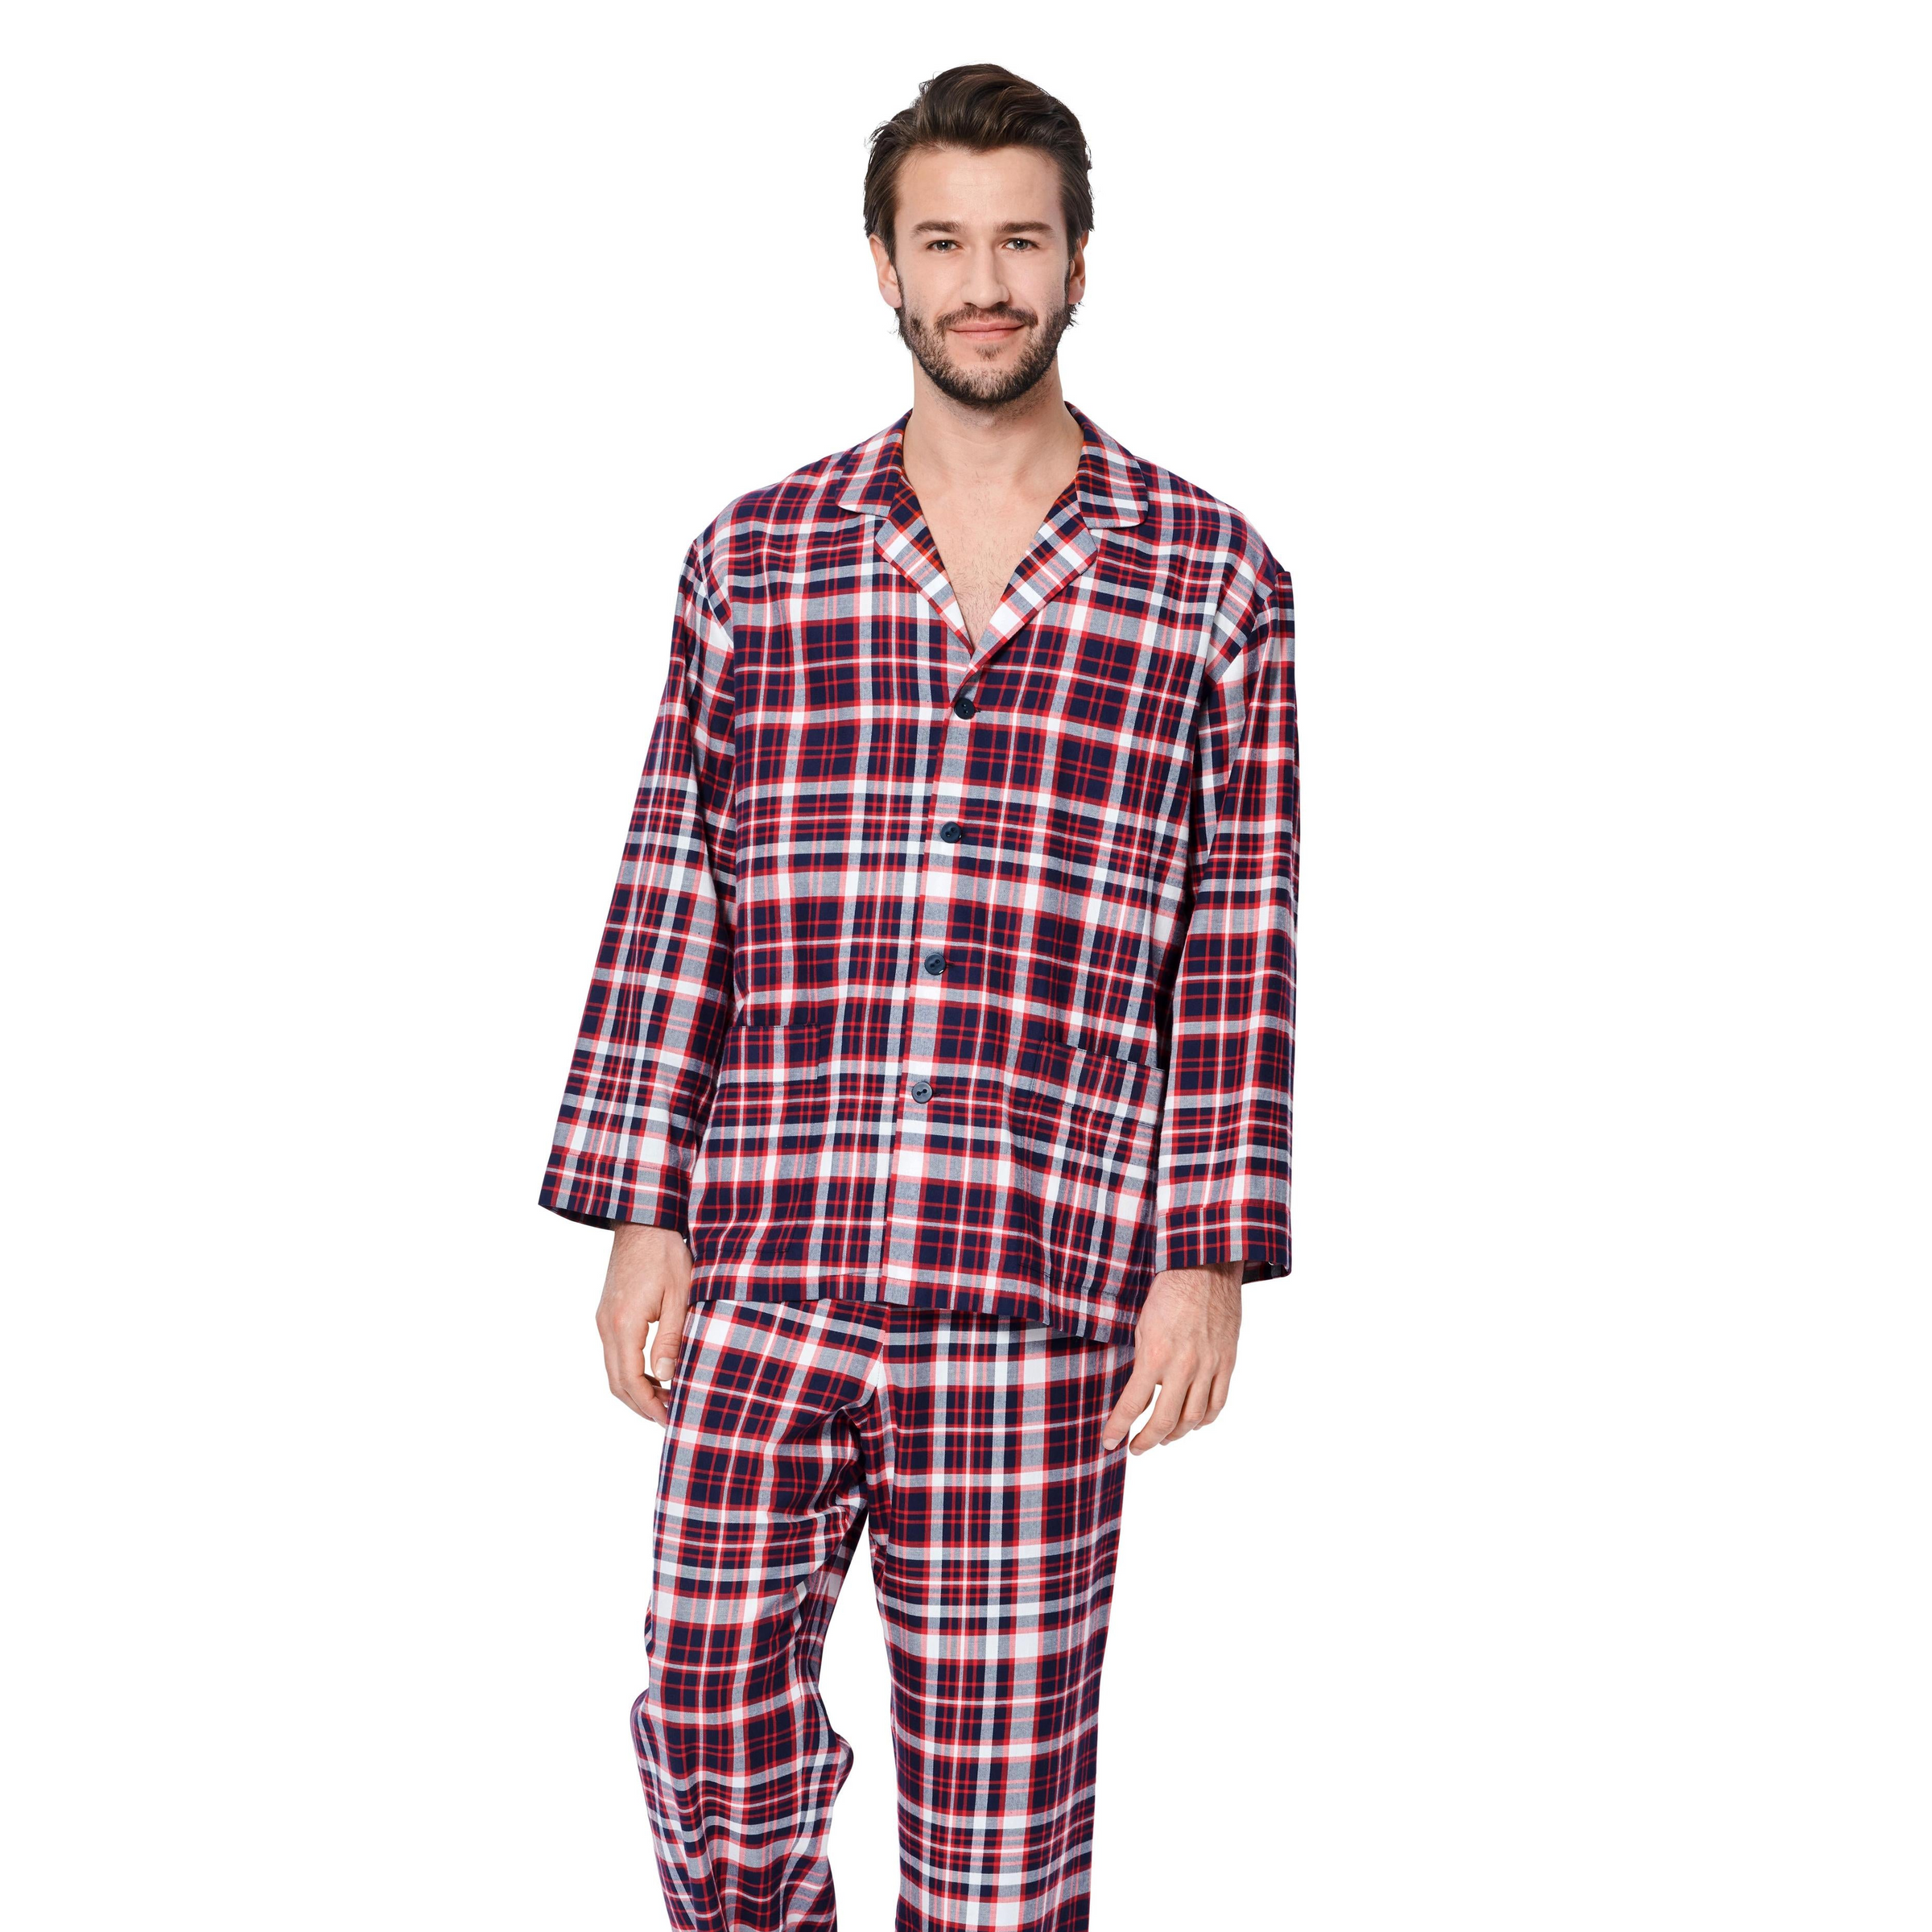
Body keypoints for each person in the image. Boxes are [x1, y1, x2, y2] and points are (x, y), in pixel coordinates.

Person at [539, 62, 1298, 1932]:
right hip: (767, 1248)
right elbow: (675, 889)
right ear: (882, 264)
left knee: (999, 1823)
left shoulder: (1214, 579)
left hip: (1041, 1274)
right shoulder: (755, 556)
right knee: (706, 1719)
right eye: (943, 242)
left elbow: (1241, 939)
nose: (983, 282)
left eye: (1019, 242)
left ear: (1081, 264)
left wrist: (1207, 1254)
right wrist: (639, 1214)